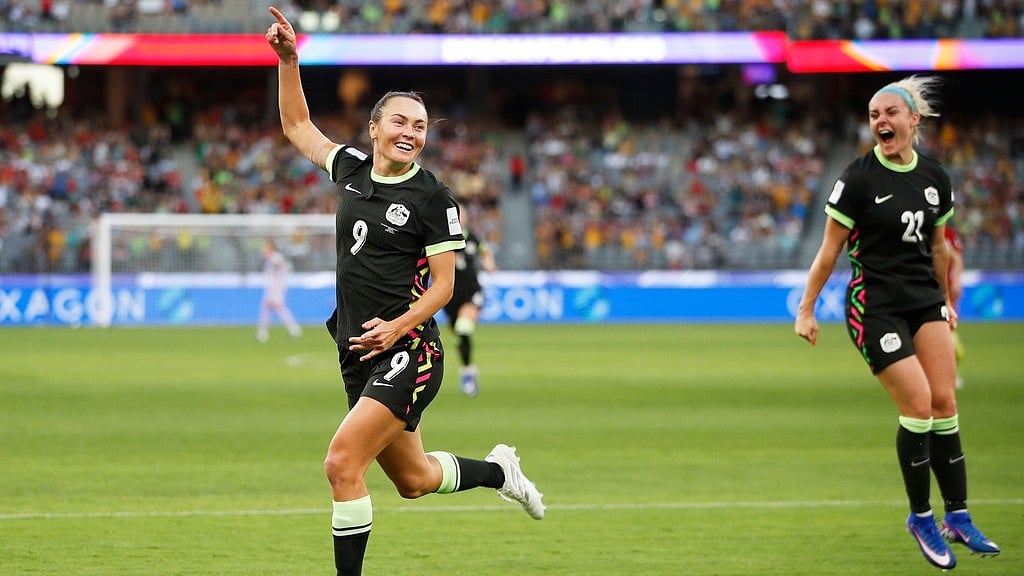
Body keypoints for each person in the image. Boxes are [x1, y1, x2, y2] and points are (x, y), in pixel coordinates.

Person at [265, 7, 545, 575]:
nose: (410, 133)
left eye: (419, 126)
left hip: (409, 351)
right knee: (413, 481)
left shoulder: (435, 200)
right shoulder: (350, 169)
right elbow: (297, 126)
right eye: (399, 122)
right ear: (374, 128)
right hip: (355, 346)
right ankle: (500, 471)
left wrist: (397, 327)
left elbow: (444, 287)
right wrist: (289, 62)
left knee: (342, 464)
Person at [794, 75, 1000, 570]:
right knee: (919, 405)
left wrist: (944, 300)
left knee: (946, 403)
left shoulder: (935, 177)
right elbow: (829, 251)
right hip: (875, 307)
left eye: (889, 113)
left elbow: (938, 247)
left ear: (914, 120)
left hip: (923, 301)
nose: (880, 121)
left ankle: (959, 515)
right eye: (873, 115)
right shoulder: (858, 178)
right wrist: (806, 308)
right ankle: (921, 516)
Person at [443, 203, 497, 397]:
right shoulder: (441, 238)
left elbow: (485, 250)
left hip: (472, 292)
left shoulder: (472, 238)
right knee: (458, 333)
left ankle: (467, 374)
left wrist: (489, 263)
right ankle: (469, 368)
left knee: (464, 329)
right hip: (448, 295)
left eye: (461, 214)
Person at [256, 238, 303, 342]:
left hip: (276, 289)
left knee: (277, 308)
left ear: (270, 248)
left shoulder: (275, 258)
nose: (263, 250)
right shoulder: (270, 259)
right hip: (272, 288)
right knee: (268, 308)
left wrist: (279, 280)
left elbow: (283, 266)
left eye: (265, 248)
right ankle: (263, 333)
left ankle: (293, 329)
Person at [944, 224, 966, 388]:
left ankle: (951, 373)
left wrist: (957, 282)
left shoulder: (949, 234)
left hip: (946, 293)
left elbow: (957, 259)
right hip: (924, 289)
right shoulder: (921, 228)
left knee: (949, 333)